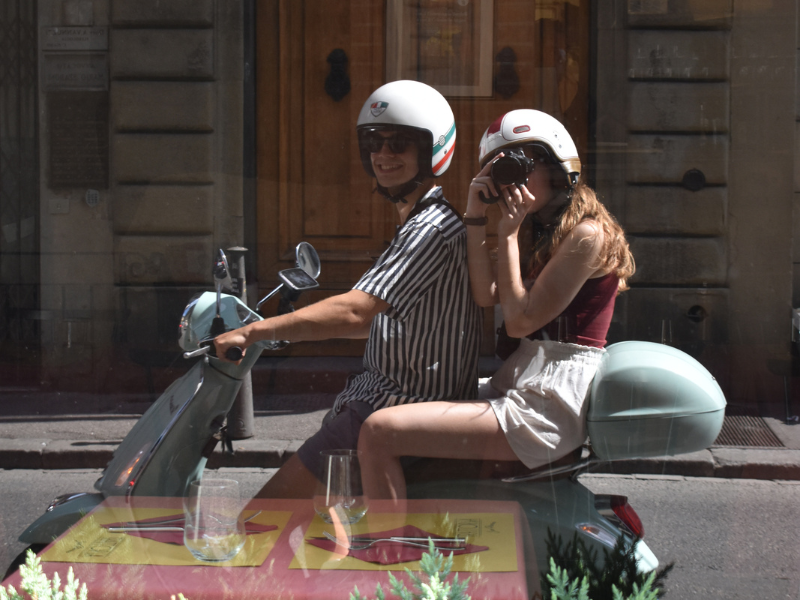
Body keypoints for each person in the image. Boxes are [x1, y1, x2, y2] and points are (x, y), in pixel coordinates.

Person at [214, 80, 482, 498]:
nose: (383, 154)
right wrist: (289, 330)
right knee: (327, 533)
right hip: (377, 401)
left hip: (394, 407)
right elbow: (370, 323)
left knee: (264, 516)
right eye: (374, 142)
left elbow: (356, 311)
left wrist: (254, 331)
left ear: (431, 151)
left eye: (400, 143)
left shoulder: (430, 230)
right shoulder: (421, 223)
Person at [358, 109, 636, 500]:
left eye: (522, 165)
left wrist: (506, 234)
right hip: (523, 383)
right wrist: (475, 215)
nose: (512, 181)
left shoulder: (587, 234)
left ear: (558, 167)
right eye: (500, 169)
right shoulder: (540, 227)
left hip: (545, 407)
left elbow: (520, 322)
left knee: (379, 431)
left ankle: (388, 549)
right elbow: (485, 293)